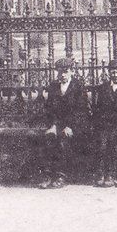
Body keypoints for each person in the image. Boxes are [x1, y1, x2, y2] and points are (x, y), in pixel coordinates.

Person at [36, 57, 87, 188]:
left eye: (65, 71)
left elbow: (81, 110)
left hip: (75, 125)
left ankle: (61, 175)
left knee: (63, 141)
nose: (62, 75)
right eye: (60, 72)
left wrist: (70, 126)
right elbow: (49, 109)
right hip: (57, 124)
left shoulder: (78, 86)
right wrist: (53, 125)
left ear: (71, 71)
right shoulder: (53, 86)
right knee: (49, 138)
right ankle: (47, 174)